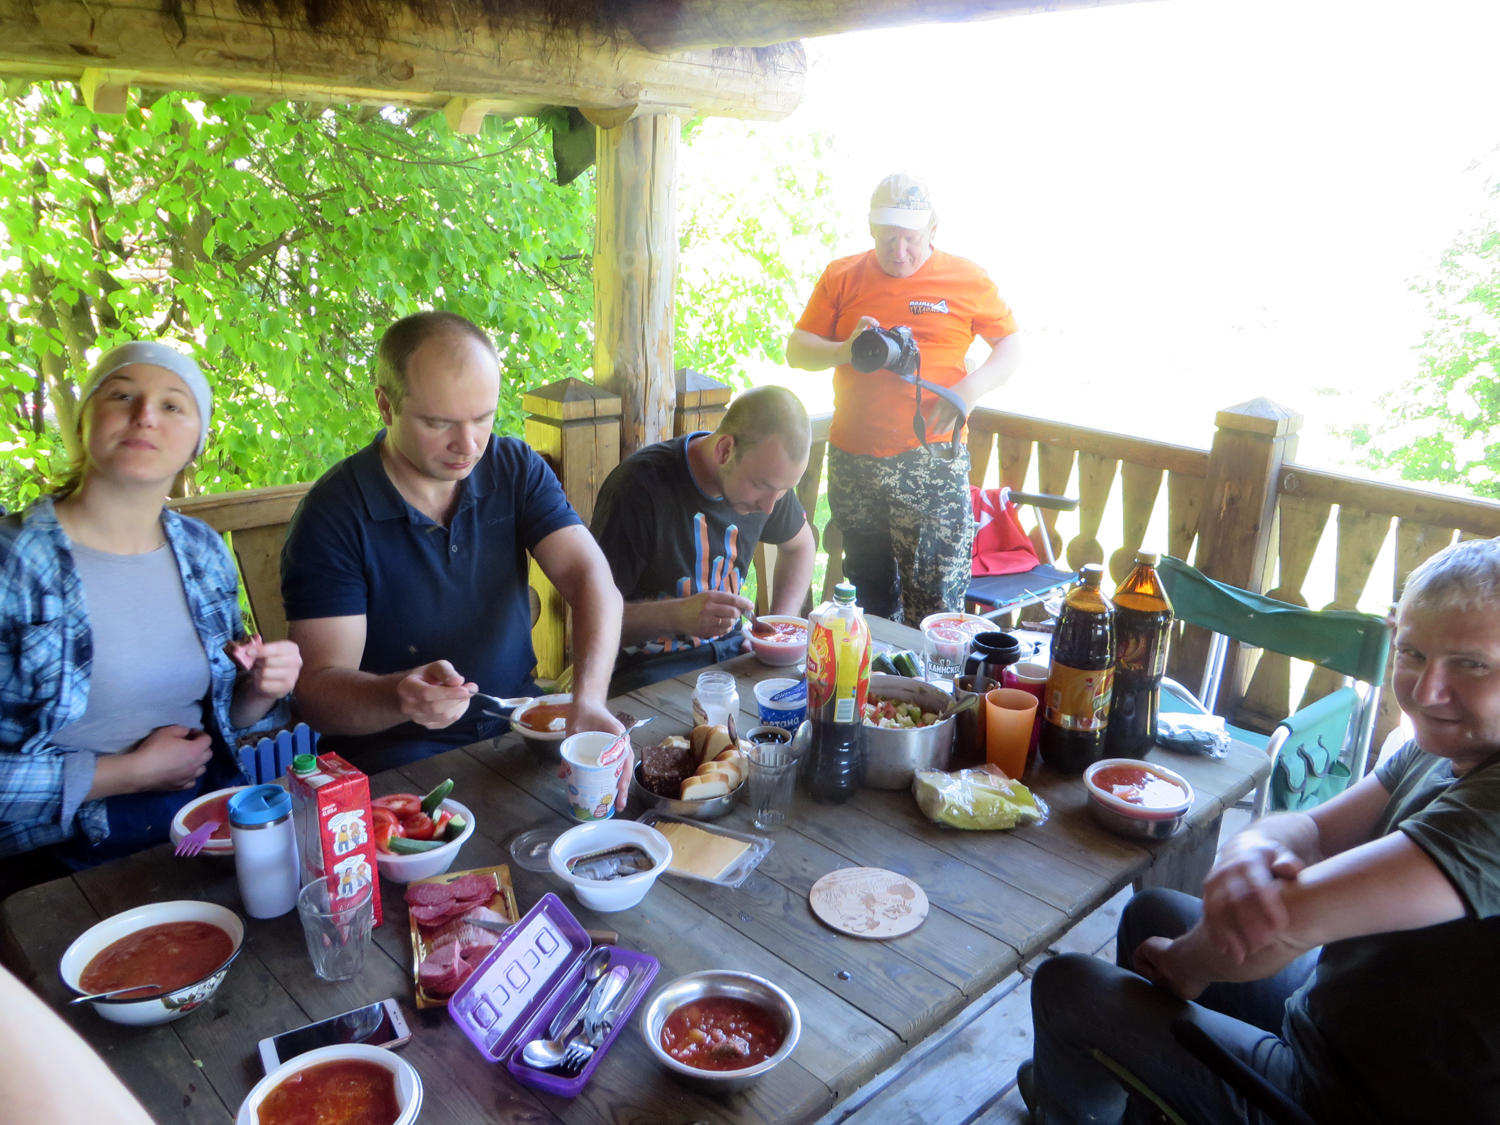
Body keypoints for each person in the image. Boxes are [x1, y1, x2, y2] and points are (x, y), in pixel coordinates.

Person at [1020, 536, 1500, 1124]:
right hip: (1330, 1017)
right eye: (1413, 653)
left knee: (1068, 988)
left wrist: (1189, 965)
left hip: (1351, 1099)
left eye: (1472, 664)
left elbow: (1288, 924)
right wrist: (1254, 846)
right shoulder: (1442, 746)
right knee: (1154, 914)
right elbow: (1313, 832)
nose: (1427, 691)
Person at [281, 311, 626, 783]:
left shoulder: (514, 467)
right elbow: (316, 694)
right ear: (385, 405)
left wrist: (588, 700)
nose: (468, 445)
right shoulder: (334, 515)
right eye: (438, 423)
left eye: (483, 418)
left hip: (518, 726)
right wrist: (399, 696)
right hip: (394, 757)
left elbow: (592, 580)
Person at [0, 343, 299, 867]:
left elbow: (227, 718)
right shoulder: (13, 560)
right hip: (55, 854)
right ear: (82, 420)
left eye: (172, 405)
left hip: (200, 819)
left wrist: (260, 688)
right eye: (122, 396)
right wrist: (127, 773)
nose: (144, 416)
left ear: (196, 443)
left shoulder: (203, 551)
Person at [786, 172, 1021, 624]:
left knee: (935, 606)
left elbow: (1013, 346)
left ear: (933, 229)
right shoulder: (842, 275)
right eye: (887, 237)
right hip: (854, 461)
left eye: (910, 238)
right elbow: (797, 350)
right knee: (867, 597)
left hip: (930, 461)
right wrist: (845, 350)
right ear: (870, 228)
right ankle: (875, 670)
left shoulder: (966, 278)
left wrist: (969, 390)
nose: (898, 251)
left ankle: (930, 674)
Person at [591, 385, 817, 693]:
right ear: (725, 450)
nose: (769, 507)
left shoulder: (769, 481)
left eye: (783, 491)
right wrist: (676, 616)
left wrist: (774, 633)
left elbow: (801, 546)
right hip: (649, 675)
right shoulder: (638, 489)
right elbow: (591, 619)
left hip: (736, 659)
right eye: (761, 486)